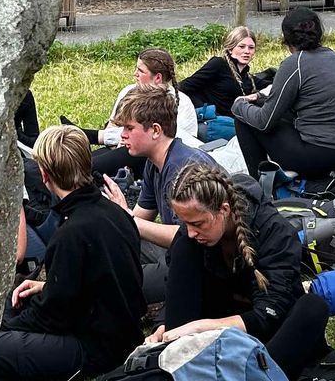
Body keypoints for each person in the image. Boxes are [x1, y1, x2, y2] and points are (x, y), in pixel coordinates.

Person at [155, 161, 335, 381]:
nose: (191, 232)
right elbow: (178, 289)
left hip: (268, 337)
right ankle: (180, 368)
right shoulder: (193, 239)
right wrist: (165, 327)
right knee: (184, 249)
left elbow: (269, 314)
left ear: (224, 210)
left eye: (198, 224)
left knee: (313, 307)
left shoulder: (274, 231)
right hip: (216, 334)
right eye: (185, 223)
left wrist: (200, 327)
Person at [0, 125, 145, 381]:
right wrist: (46, 287)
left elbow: (52, 316)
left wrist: (9, 325)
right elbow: (96, 281)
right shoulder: (115, 212)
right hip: (119, 327)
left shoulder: (71, 232)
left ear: (45, 175)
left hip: (99, 348)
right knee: (12, 302)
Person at [99, 85, 216, 304]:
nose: (123, 135)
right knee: (110, 241)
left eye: (129, 128)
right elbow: (138, 221)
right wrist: (114, 216)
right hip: (179, 253)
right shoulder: (155, 163)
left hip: (201, 265)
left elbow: (188, 236)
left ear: (155, 130)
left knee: (111, 284)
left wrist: (127, 218)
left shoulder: (183, 170)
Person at [230, 7, 335, 181]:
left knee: (244, 117)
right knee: (259, 105)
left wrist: (239, 104)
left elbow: (264, 122)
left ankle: (260, 187)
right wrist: (260, 98)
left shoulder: (294, 64)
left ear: (286, 37)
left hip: (323, 155)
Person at [82, 47, 199, 179]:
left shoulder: (179, 103)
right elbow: (113, 125)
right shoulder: (129, 91)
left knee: (87, 169)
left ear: (158, 77)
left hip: (148, 157)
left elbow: (166, 141)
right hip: (122, 148)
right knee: (81, 161)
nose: (135, 74)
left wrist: (102, 137)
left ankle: (86, 138)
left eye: (140, 71)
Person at [181, 26, 269, 118]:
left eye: (251, 48)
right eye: (241, 47)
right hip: (217, 121)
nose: (247, 51)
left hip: (237, 121)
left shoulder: (247, 77)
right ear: (230, 49)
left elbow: (272, 86)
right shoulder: (219, 64)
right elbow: (184, 86)